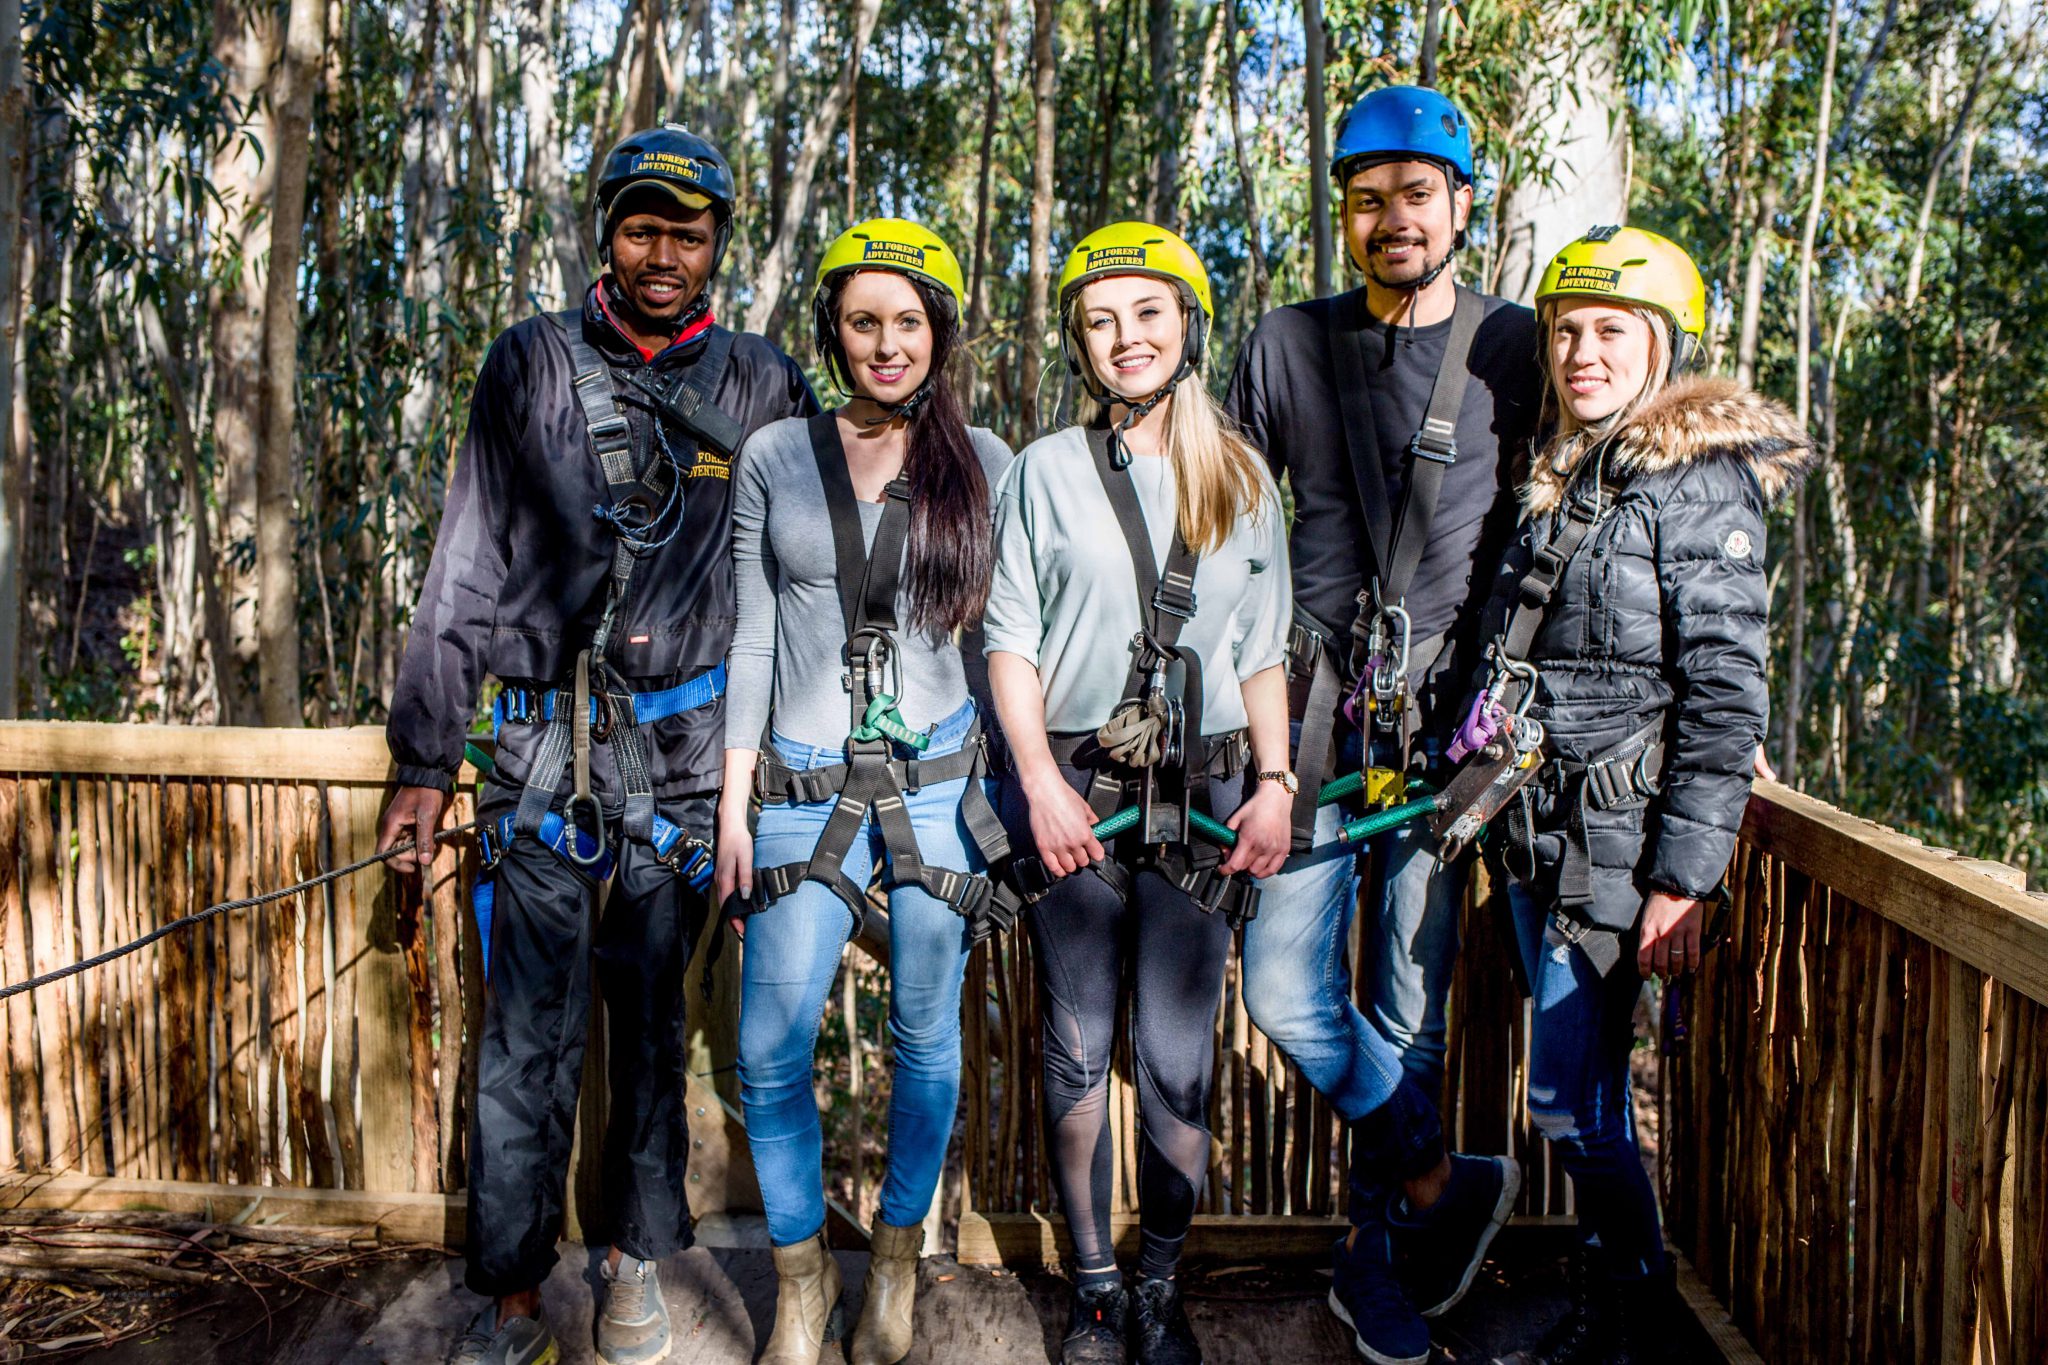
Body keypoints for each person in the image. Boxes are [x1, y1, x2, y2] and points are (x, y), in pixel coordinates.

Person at [379, 125, 816, 1365]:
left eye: (686, 232)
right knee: (524, 1037)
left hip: (684, 772)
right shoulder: (528, 365)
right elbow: (464, 564)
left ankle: (631, 1262)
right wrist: (423, 761)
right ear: (606, 238)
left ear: (717, 246)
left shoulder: (761, 381)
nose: (662, 253)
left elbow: (804, 574)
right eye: (641, 228)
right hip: (537, 760)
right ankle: (511, 1292)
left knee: (651, 1031)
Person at [1223, 84, 1536, 1363]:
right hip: (1303, 732)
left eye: (1416, 194)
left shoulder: (1514, 347)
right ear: (1341, 214)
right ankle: (1425, 1177)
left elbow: (1586, 517)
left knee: (1406, 1005)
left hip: (1443, 737)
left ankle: (1375, 1260)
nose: (1392, 218)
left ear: (1462, 206)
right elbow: (1222, 527)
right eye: (1367, 199)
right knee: (1285, 986)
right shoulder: (1285, 344)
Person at [1481, 227, 1812, 1364]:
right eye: (1565, 330)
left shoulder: (1697, 479)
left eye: (1609, 332)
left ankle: (1629, 1297)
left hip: (1618, 852)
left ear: (1659, 346)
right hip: (1538, 828)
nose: (1580, 351)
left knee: (1565, 1101)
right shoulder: (1569, 471)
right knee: (1585, 1100)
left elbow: (1725, 687)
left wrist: (1686, 876)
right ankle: (1615, 1296)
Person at [985, 222, 1294, 1365]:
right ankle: (1096, 1290)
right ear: (1078, 339)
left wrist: (1274, 783)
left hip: (1206, 789)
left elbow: (1262, 649)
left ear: (1186, 325)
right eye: (1101, 319)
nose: (1125, 338)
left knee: (1174, 1059)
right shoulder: (1040, 472)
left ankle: (1160, 1285)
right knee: (1073, 1049)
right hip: (1072, 782)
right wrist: (1036, 788)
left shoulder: (1241, 477)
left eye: (1147, 313)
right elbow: (1009, 646)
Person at [715, 218, 1014, 1365]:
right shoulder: (776, 458)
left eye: (906, 321)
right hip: (796, 785)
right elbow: (749, 634)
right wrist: (734, 803)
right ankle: (799, 1282)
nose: (885, 345)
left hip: (938, 787)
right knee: (767, 1049)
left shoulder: (981, 461)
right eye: (861, 322)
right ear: (832, 331)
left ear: (938, 330)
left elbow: (1007, 641)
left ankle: (893, 1263)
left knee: (925, 1038)